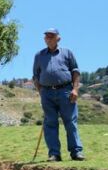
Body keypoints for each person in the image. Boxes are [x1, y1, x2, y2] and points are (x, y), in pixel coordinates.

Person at [32, 28, 85, 161]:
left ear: (58, 38)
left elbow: (76, 72)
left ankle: (76, 152)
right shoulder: (39, 56)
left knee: (70, 122)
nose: (48, 38)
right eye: (46, 36)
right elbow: (36, 77)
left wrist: (75, 90)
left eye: (51, 36)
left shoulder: (67, 52)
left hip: (66, 91)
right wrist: (41, 93)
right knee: (50, 123)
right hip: (47, 93)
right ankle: (54, 154)